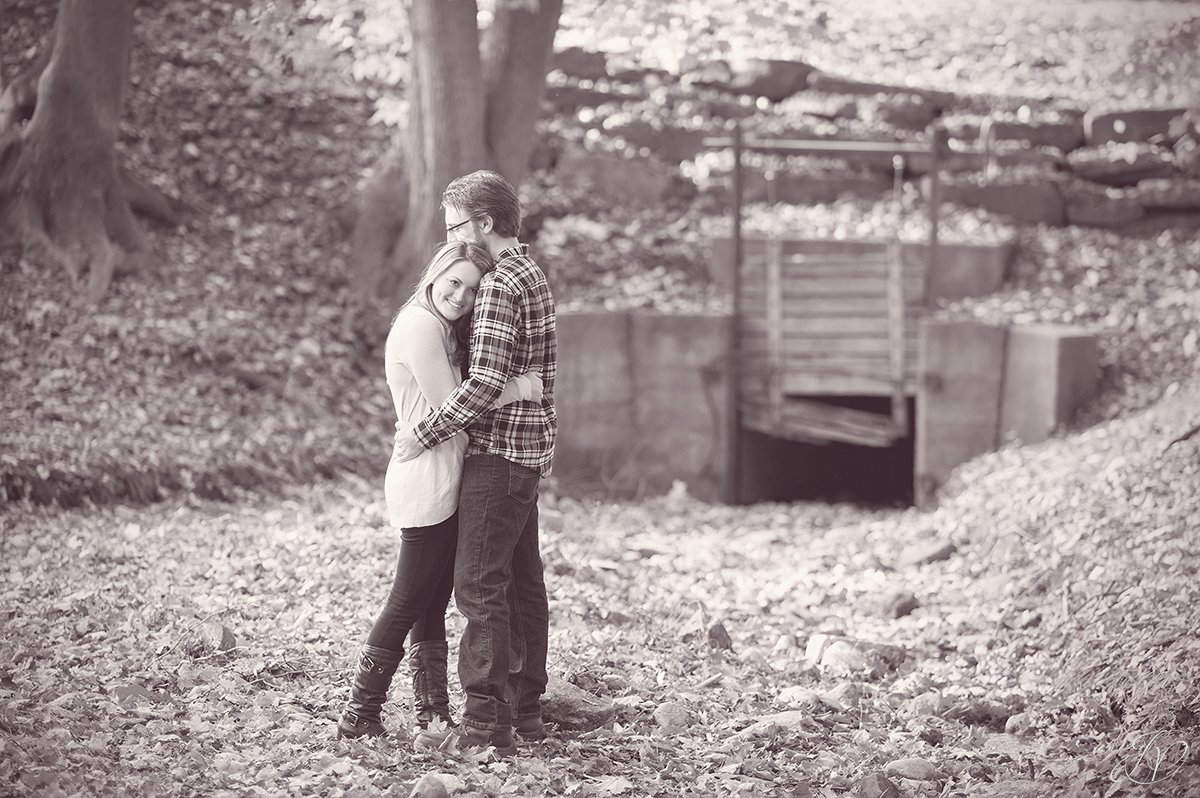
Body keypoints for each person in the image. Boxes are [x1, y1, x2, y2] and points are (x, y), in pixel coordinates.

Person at [337, 241, 543, 740]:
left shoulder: (443, 327)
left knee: (431, 600)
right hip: (425, 475)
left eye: (472, 289)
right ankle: (359, 712)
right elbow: (454, 409)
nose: (461, 295)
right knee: (408, 598)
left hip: (444, 474)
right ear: (434, 273)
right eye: (454, 281)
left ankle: (432, 710)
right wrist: (519, 388)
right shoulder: (420, 325)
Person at [393, 170, 557, 759]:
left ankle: (487, 723)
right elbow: (509, 377)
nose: (449, 242)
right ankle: (526, 709)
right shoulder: (530, 272)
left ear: (483, 224)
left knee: (479, 585)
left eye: (455, 228)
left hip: (497, 453)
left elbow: (485, 379)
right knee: (521, 584)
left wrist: (425, 433)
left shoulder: (495, 286)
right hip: (529, 450)